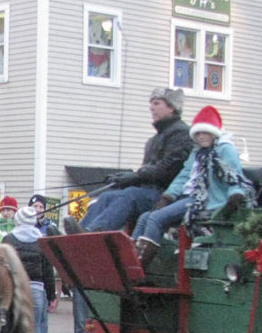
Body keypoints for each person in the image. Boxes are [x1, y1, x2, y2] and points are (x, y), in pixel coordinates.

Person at [131, 105, 254, 266]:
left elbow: (234, 177)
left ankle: (140, 265)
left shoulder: (224, 150)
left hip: (207, 201)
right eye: (198, 133)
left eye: (205, 132)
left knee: (156, 218)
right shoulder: (197, 153)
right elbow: (184, 176)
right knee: (144, 217)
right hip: (190, 196)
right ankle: (127, 260)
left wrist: (235, 194)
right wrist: (168, 196)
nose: (201, 136)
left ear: (214, 133)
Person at [65, 87, 192, 233]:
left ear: (171, 107)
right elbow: (149, 172)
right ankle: (80, 231)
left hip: (166, 195)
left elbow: (168, 169)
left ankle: (94, 232)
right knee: (107, 196)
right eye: (151, 104)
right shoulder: (154, 140)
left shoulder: (182, 134)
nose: (151, 108)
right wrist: (124, 179)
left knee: (130, 195)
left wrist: (134, 177)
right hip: (147, 191)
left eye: (156, 103)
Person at [2, 206, 57, 333]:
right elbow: (48, 270)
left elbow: (4, 266)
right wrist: (51, 294)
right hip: (37, 288)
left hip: (16, 286)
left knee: (14, 328)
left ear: (18, 220)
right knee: (37, 329)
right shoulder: (42, 240)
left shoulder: (9, 239)